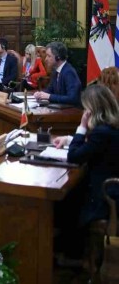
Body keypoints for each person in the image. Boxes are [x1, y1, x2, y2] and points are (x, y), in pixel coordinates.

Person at [51, 85, 119, 257]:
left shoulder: (101, 133)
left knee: (65, 199)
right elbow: (93, 147)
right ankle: (68, 248)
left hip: (103, 194)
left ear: (92, 110)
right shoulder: (110, 128)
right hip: (109, 185)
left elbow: (74, 156)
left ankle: (69, 251)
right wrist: (69, 139)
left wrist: (81, 126)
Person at [34, 41, 81, 107]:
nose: (46, 59)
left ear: (58, 57)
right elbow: (50, 90)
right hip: (60, 109)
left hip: (71, 111)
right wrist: (41, 94)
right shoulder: (56, 71)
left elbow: (72, 98)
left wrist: (49, 96)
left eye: (49, 56)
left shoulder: (69, 72)